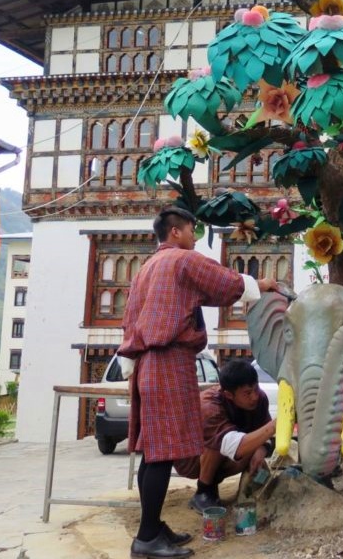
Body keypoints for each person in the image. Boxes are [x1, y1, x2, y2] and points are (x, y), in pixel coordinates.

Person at [117, 207, 278, 559]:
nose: (194, 236)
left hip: (146, 361)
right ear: (176, 232)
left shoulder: (147, 269)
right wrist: (260, 285)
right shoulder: (181, 260)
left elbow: (132, 318)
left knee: (153, 451)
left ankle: (154, 526)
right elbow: (222, 282)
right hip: (167, 360)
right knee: (162, 453)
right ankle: (146, 538)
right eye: (191, 230)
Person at [173, 358, 276, 513]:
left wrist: (261, 449)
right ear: (229, 395)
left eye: (255, 389)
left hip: (228, 451)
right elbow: (231, 444)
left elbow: (263, 428)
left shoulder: (259, 399)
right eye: (247, 393)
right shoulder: (209, 406)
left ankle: (224, 488)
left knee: (252, 449)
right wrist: (277, 425)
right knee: (220, 442)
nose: (254, 396)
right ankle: (203, 491)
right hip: (191, 458)